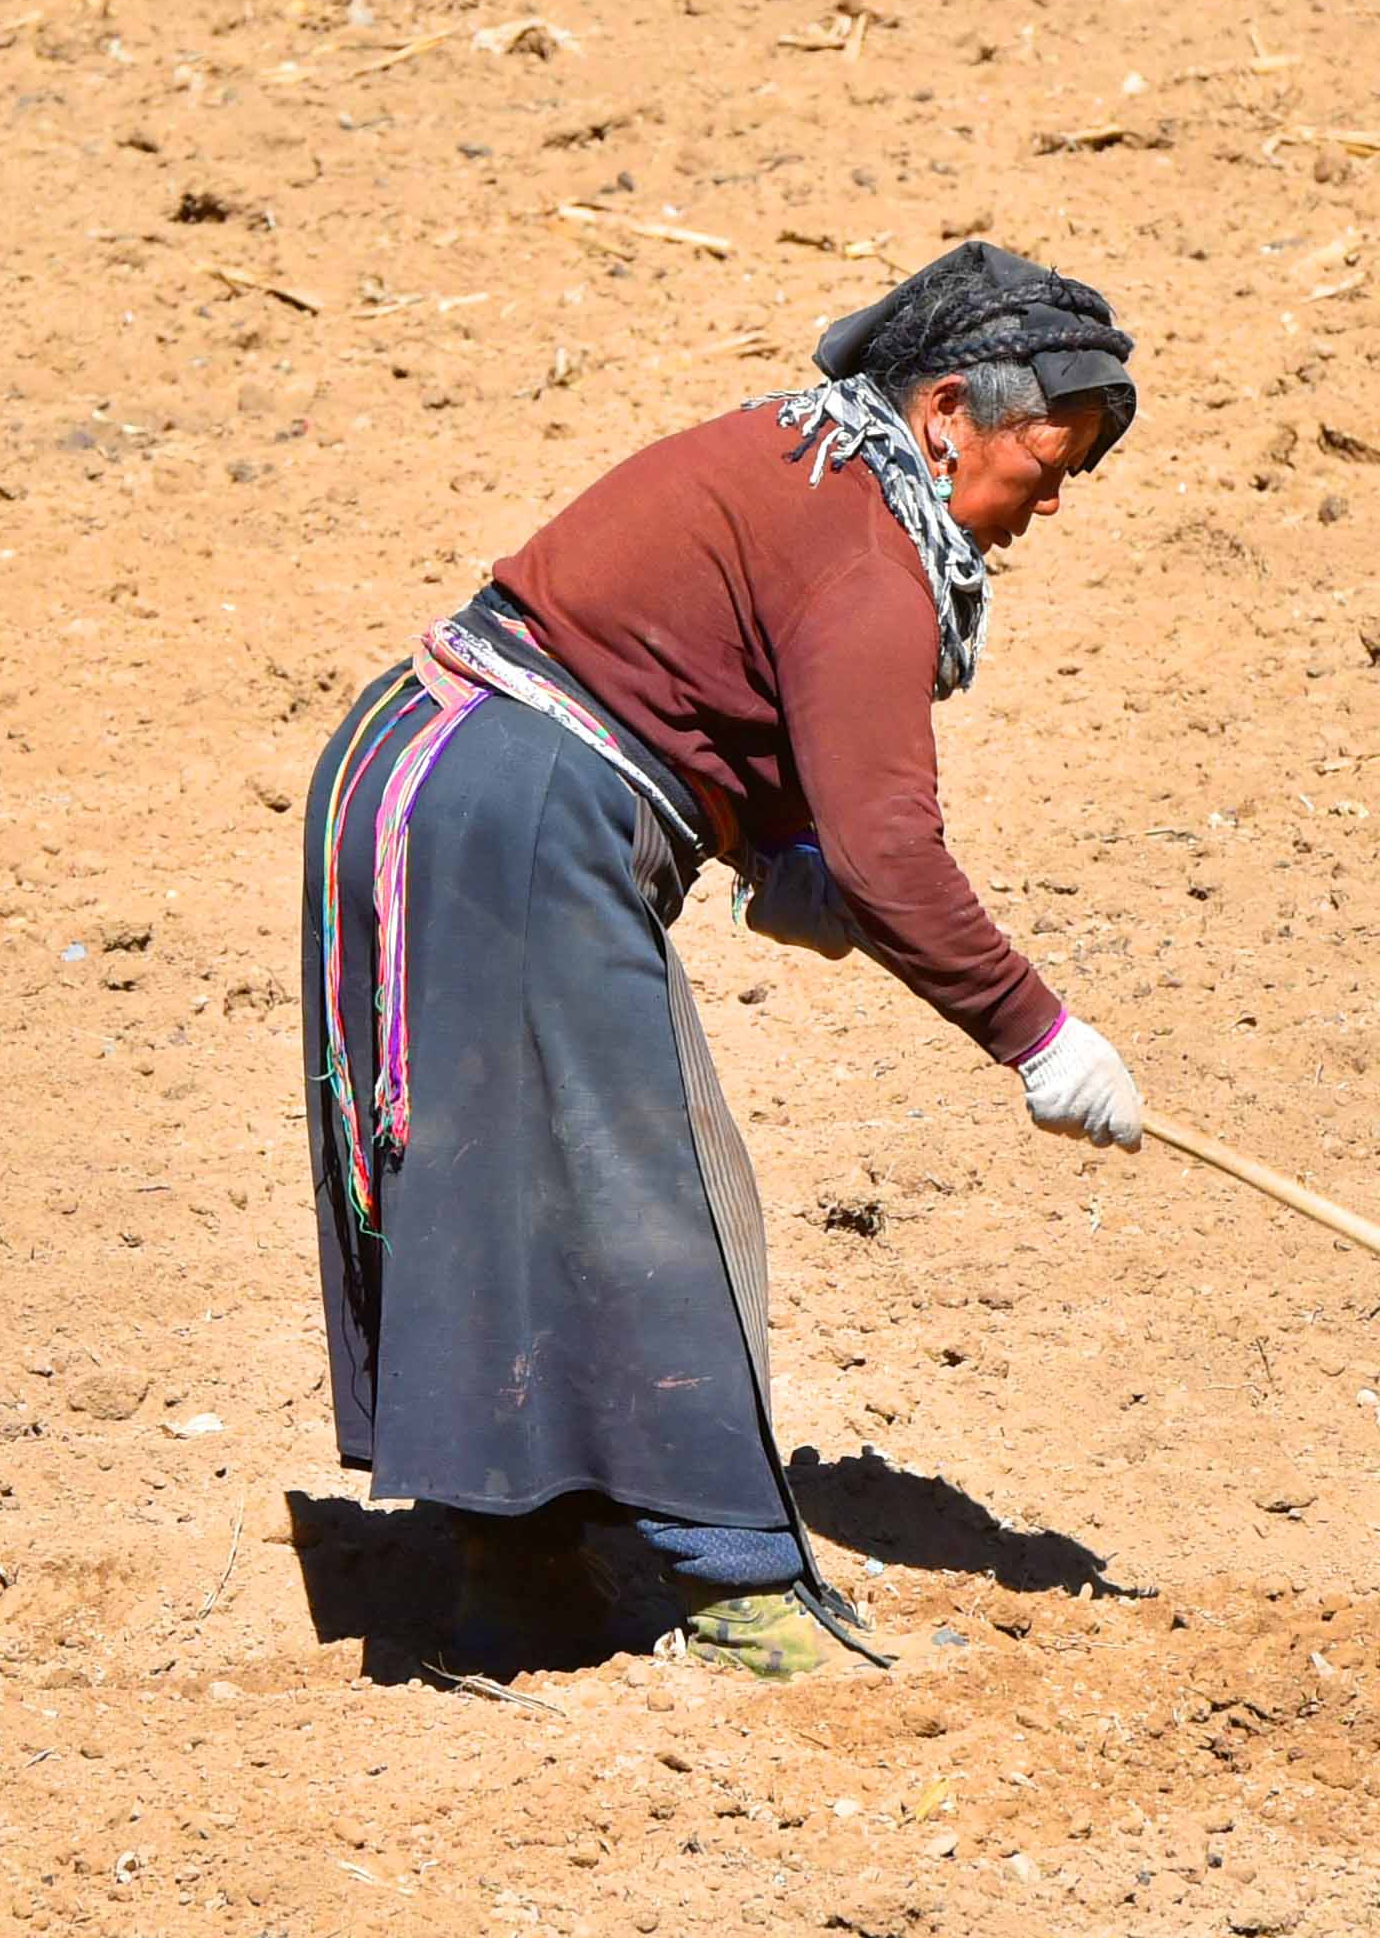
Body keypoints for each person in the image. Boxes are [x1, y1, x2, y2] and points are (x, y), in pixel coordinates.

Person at [299, 242, 1146, 1682]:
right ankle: (735, 1582)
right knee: (647, 1179)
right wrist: (1038, 1034)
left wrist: (769, 850)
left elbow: (694, 670)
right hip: (514, 811)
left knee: (506, 1186)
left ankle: (516, 1574)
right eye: (1046, 459)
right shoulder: (870, 551)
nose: (1054, 499)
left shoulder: (806, 469)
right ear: (947, 412)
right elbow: (893, 853)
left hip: (426, 773)